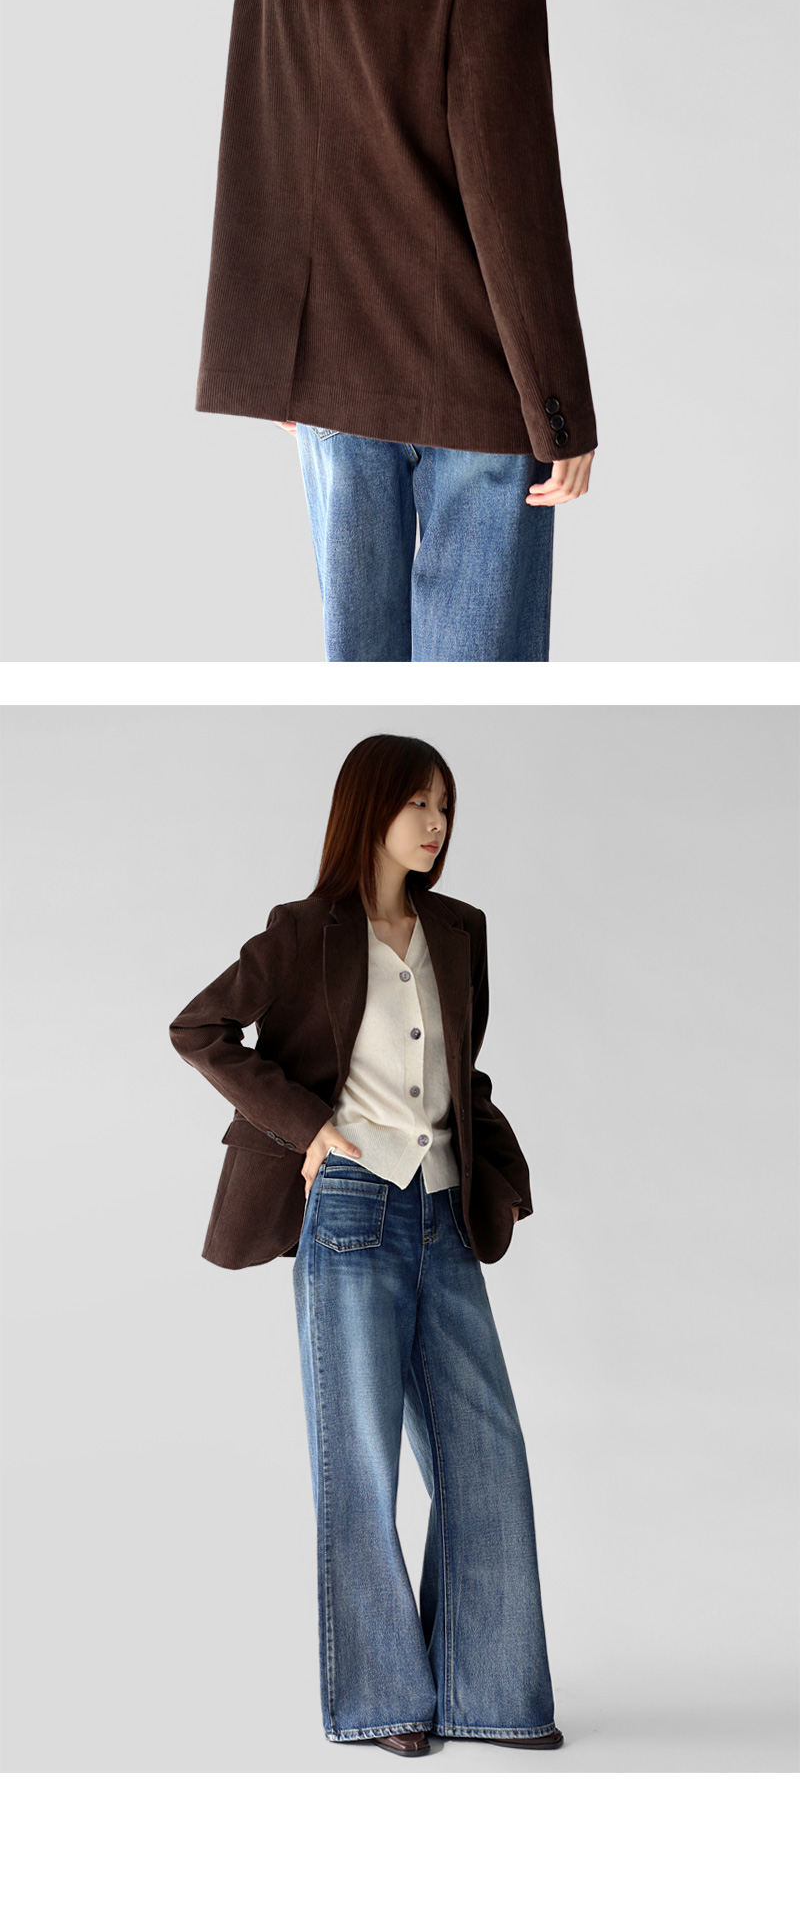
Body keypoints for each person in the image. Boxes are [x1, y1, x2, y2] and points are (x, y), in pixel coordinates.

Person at [196, 0, 596, 664]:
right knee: (477, 688)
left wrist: (277, 373)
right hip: (475, 387)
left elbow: (260, 174)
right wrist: (558, 408)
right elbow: (514, 202)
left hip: (332, 391)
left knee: (358, 677)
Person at [170, 732, 561, 1757]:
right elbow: (199, 1029)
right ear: (369, 808)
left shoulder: (460, 930)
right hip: (349, 1207)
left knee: (487, 1455)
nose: (436, 824)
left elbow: (463, 1074)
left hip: (442, 1211)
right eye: (418, 803)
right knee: (359, 1461)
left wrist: (503, 1172)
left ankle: (489, 1693)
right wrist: (307, 1129)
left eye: (446, 806)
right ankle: (385, 1700)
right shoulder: (304, 932)